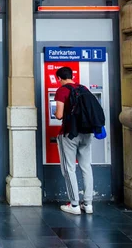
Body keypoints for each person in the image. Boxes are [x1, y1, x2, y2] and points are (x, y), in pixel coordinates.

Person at [54, 66, 94, 215]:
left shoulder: (62, 90)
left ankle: (74, 205)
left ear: (59, 78)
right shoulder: (83, 89)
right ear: (71, 76)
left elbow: (58, 115)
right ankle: (88, 204)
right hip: (87, 132)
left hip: (70, 134)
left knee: (69, 168)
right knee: (86, 167)